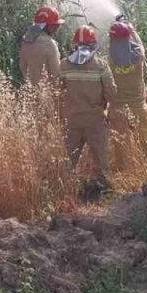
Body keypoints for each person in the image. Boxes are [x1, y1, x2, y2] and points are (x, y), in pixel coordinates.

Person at [62, 25, 117, 195]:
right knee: (101, 161)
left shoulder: (64, 65)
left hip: (72, 120)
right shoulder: (100, 66)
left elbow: (56, 91)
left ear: (75, 44)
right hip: (95, 120)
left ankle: (66, 192)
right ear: (93, 45)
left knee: (69, 161)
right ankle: (105, 194)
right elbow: (112, 92)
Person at [107, 17, 147, 172]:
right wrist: (132, 31)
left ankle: (126, 176)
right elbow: (140, 45)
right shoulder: (138, 56)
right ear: (127, 37)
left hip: (118, 109)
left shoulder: (109, 60)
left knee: (122, 146)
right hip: (138, 106)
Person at [19, 5, 64, 86]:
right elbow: (56, 75)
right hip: (47, 94)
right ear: (48, 26)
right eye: (55, 25)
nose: (57, 27)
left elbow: (22, 67)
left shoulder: (25, 42)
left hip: (29, 93)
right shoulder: (50, 45)